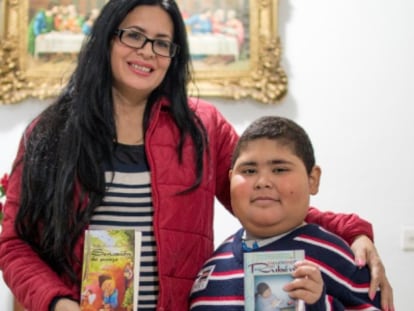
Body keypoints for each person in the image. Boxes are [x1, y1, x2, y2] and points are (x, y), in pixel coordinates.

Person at [0, 1, 392, 310]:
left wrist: (350, 229)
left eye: (162, 43)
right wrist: (59, 304)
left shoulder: (203, 127)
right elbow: (14, 243)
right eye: (134, 36)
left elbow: (259, 195)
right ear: (106, 39)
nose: (147, 52)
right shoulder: (50, 132)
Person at [189, 116, 385, 310]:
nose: (262, 181)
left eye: (280, 169)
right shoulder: (211, 267)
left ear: (313, 179)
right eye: (249, 171)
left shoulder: (338, 258)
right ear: (230, 179)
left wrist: (320, 306)